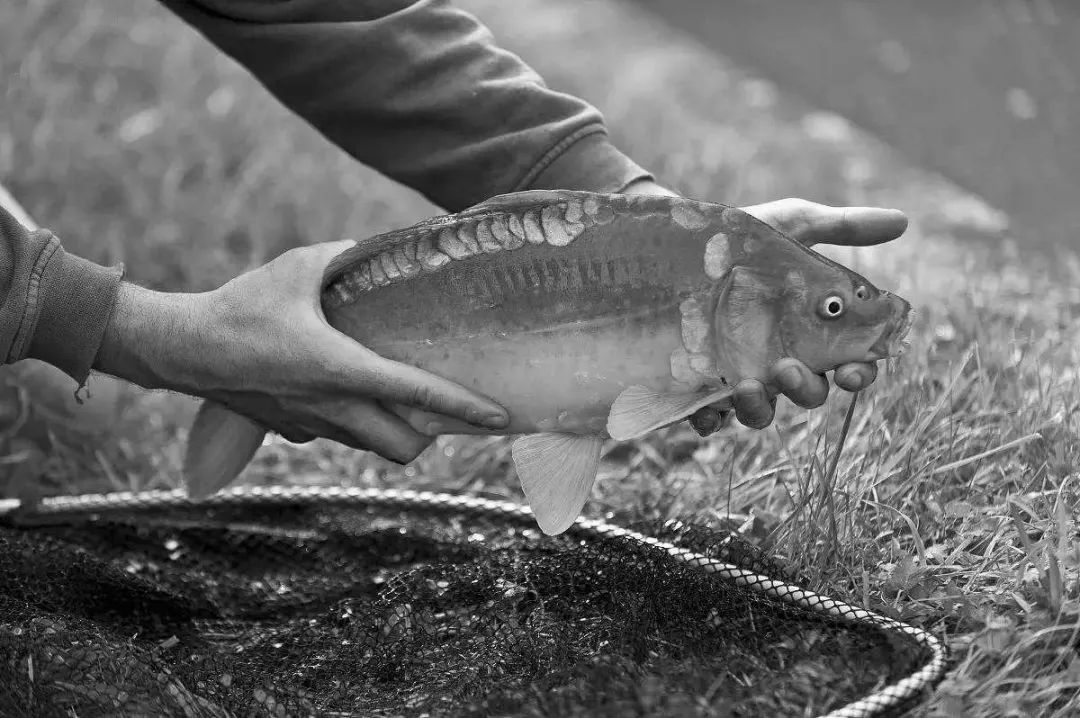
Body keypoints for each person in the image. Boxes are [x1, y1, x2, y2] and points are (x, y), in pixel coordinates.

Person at [0, 0, 907, 469]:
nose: (841, 313)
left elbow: (332, 11)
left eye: (830, 306)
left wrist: (633, 211)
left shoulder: (724, 284)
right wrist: (125, 326)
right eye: (831, 305)